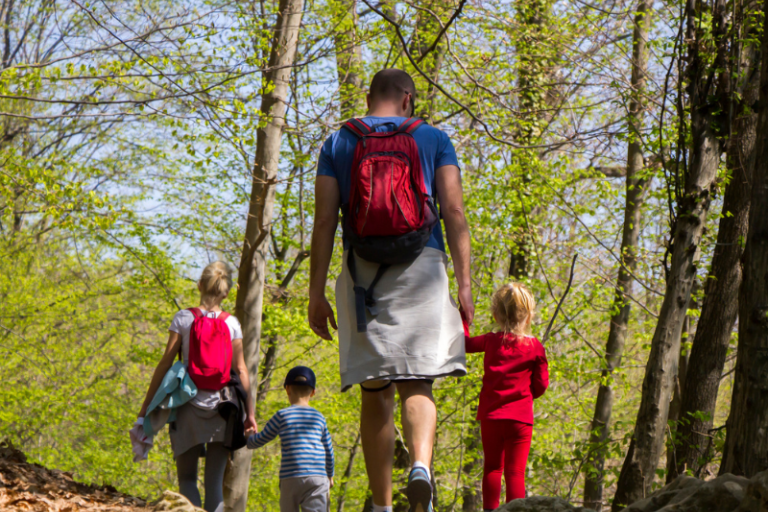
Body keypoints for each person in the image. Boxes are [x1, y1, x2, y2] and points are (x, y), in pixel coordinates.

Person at [308, 68, 473, 512]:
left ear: (368, 97)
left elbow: (325, 221)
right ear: (407, 99)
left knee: (374, 390)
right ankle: (420, 465)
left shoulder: (339, 142)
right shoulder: (433, 139)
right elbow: (453, 209)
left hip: (364, 277)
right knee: (417, 382)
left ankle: (382, 505)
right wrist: (464, 284)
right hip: (423, 267)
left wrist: (316, 292)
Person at [137, 262, 256, 512]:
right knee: (214, 485)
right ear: (226, 292)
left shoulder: (183, 319)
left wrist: (146, 406)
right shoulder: (232, 323)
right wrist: (250, 415)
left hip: (186, 406)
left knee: (188, 479)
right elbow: (242, 370)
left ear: (199, 285)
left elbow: (165, 364)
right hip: (223, 409)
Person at [463, 282, 549, 511]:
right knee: (515, 472)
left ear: (496, 314)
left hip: (491, 417)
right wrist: (527, 395)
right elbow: (541, 386)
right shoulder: (535, 347)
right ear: (529, 316)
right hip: (520, 420)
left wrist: (463, 319)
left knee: (492, 468)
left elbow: (464, 344)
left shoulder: (490, 340)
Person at [247, 366, 335, 512]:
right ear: (313, 392)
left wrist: (249, 437)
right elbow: (329, 451)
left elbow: (260, 439)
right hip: (317, 477)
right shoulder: (319, 418)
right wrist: (330, 475)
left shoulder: (281, 416)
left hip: (291, 477)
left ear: (287, 389)